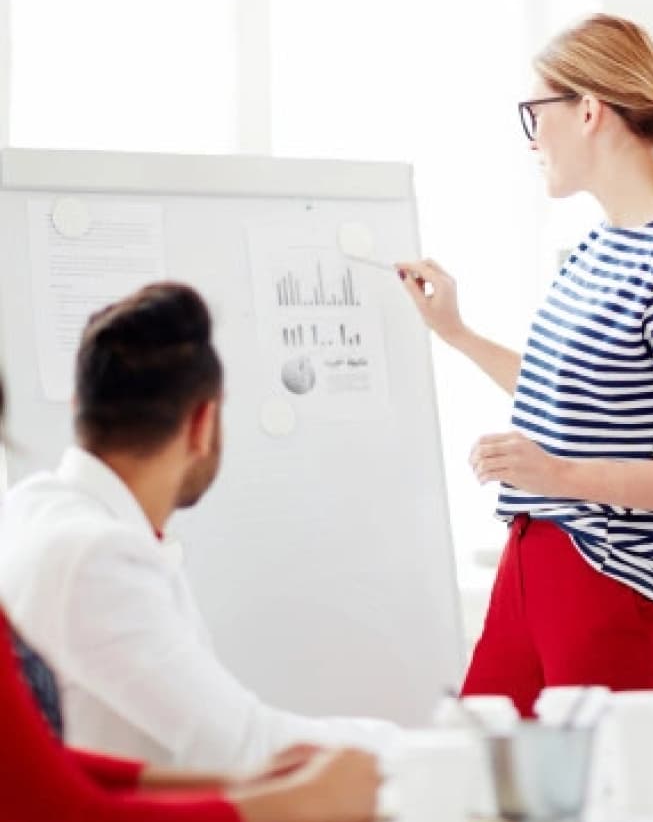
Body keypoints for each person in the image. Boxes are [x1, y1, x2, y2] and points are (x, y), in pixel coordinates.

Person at [397, 13, 653, 716]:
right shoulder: (600, 247)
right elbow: (568, 395)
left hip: (616, 588)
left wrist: (558, 476)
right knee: (478, 772)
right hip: (534, 565)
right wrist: (456, 333)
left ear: (590, 110)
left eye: (535, 113)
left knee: (606, 789)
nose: (531, 137)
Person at [0, 282, 405, 771]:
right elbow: (244, 748)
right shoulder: (96, 555)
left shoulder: (29, 507)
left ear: (77, 407)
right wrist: (420, 748)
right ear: (202, 423)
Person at [0, 373, 380, 822]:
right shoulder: (89, 548)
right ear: (203, 422)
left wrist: (235, 784)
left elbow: (32, 770)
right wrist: (299, 802)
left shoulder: (34, 508)